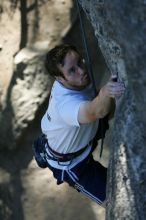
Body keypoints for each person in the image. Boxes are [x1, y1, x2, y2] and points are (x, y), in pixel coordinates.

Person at [41, 44, 125, 206]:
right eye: (72, 70)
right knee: (115, 201)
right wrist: (105, 92)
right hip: (73, 164)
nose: (81, 70)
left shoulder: (74, 81)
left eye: (80, 62)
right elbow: (96, 112)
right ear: (59, 79)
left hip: (81, 136)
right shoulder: (65, 104)